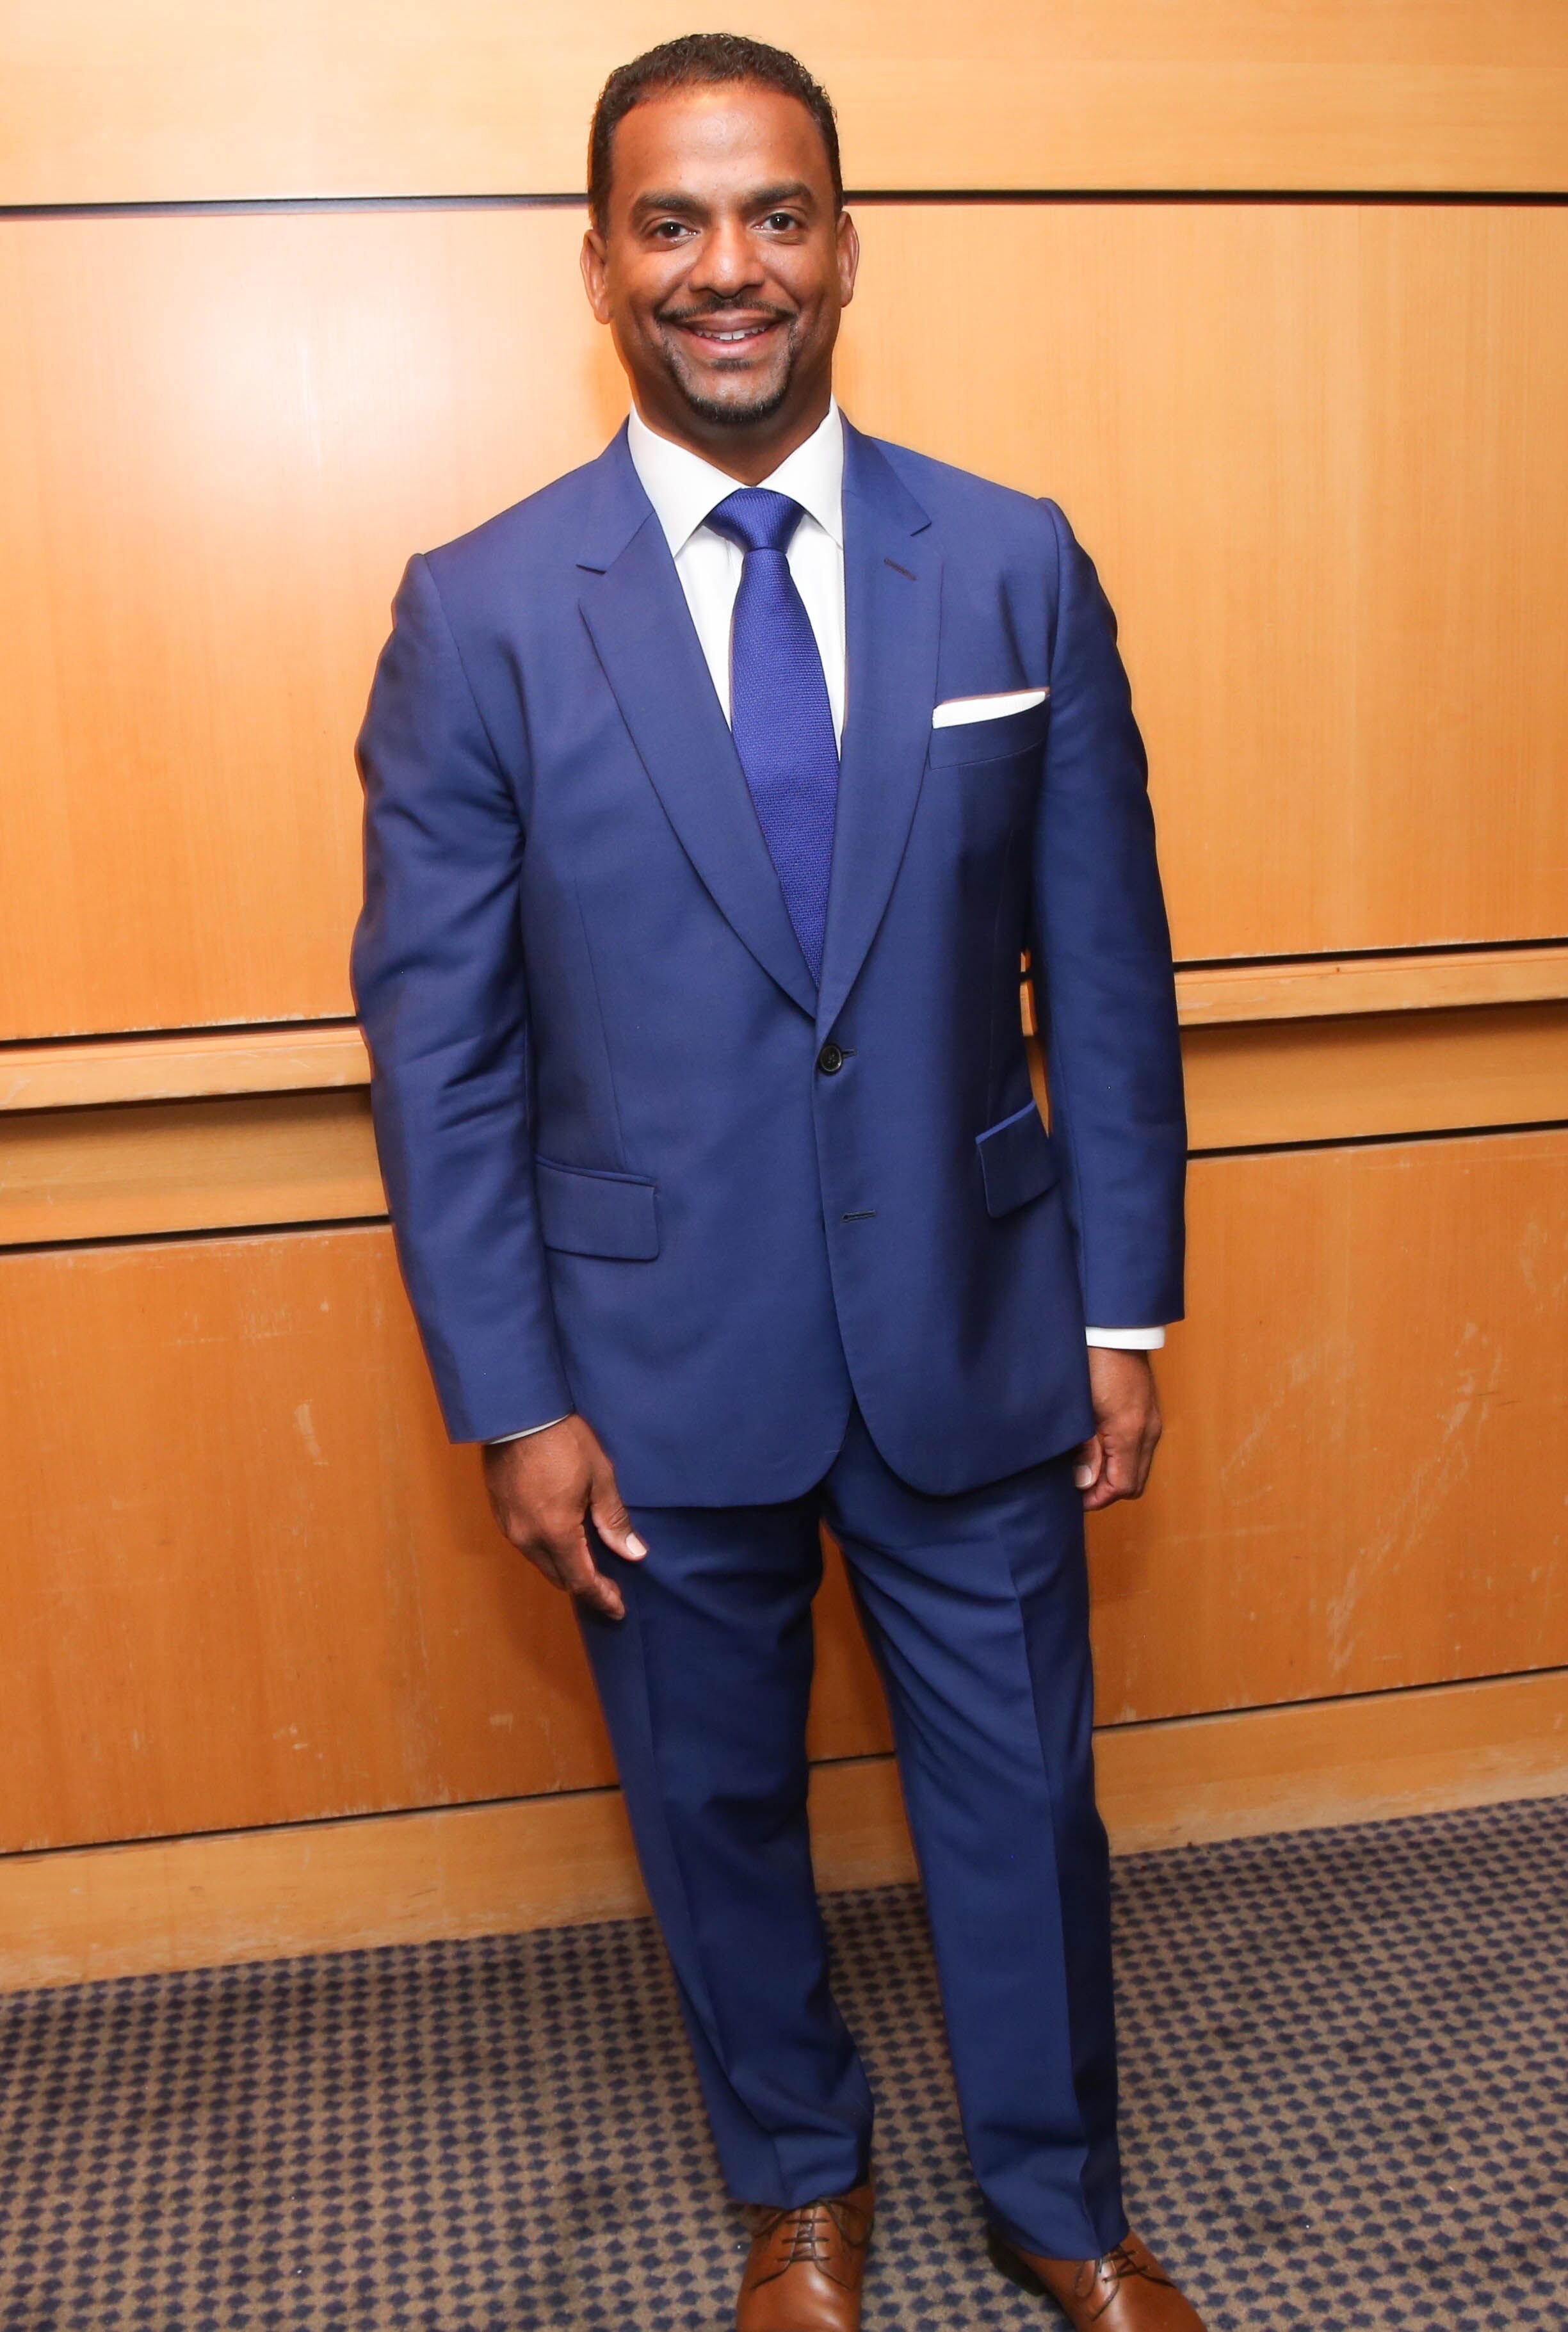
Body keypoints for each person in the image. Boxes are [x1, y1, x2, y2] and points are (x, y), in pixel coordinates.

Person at [352, 33, 1201, 2331]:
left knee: (1021, 1806)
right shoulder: (485, 610)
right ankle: (796, 2187)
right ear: (604, 264)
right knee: (714, 1819)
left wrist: (1123, 1305)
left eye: (776, 215)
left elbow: (1103, 972)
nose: (729, 269)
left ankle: (1060, 2199)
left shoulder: (1012, 565)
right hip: (643, 1370)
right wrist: (513, 1394)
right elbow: (440, 1043)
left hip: (979, 1326)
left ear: (843, 242)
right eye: (673, 222)